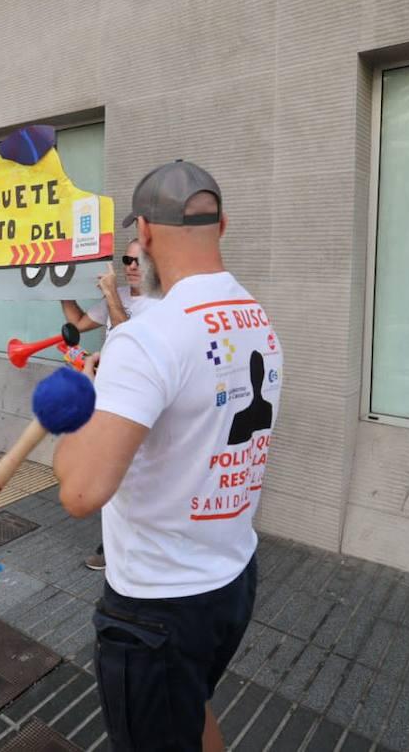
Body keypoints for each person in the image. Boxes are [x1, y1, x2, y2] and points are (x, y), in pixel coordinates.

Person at [52, 161, 283, 752]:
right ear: (222, 225)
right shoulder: (257, 318)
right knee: (193, 708)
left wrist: (84, 402)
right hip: (232, 577)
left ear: (146, 233)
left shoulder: (148, 336)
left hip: (154, 606)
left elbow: (79, 492)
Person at [60, 237, 159, 572]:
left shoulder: (162, 303)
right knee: (113, 475)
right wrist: (59, 289)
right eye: (127, 260)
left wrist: (113, 295)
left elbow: (132, 342)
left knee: (135, 478)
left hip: (139, 403)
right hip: (108, 399)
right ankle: (113, 546)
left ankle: (131, 550)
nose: (131, 267)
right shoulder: (119, 295)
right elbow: (77, 323)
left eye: (139, 261)